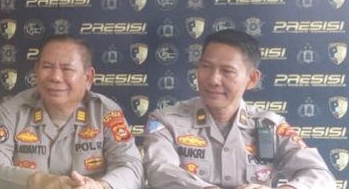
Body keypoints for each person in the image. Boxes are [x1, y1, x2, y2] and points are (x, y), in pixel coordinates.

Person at [143, 29, 335, 189]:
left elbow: (320, 175)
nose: (213, 79)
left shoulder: (269, 125)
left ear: (251, 79)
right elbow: (159, 171)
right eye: (206, 67)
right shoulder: (166, 122)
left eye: (227, 71)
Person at [0, 36, 143, 189]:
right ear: (36, 71)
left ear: (88, 77)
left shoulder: (105, 112)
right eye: (47, 67)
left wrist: (101, 186)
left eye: (67, 69)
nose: (55, 77)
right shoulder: (11, 111)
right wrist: (37, 181)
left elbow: (131, 167)